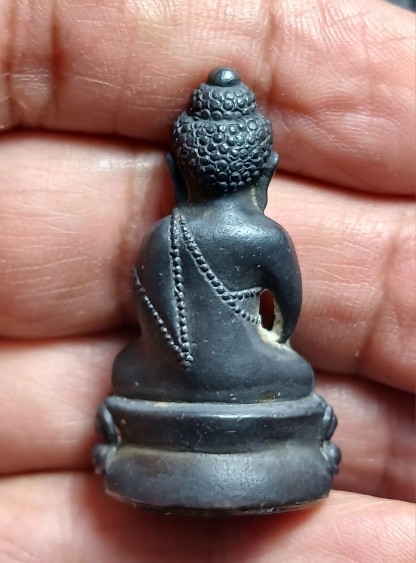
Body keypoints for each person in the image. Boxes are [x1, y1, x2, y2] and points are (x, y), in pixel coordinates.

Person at [0, 0, 414, 560]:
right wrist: (264, 344)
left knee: (129, 369)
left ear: (177, 173)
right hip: (249, 372)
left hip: (165, 382)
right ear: (265, 172)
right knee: (294, 372)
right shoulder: (265, 236)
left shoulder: (159, 235)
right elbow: (286, 319)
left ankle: (141, 450)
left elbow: (152, 320)